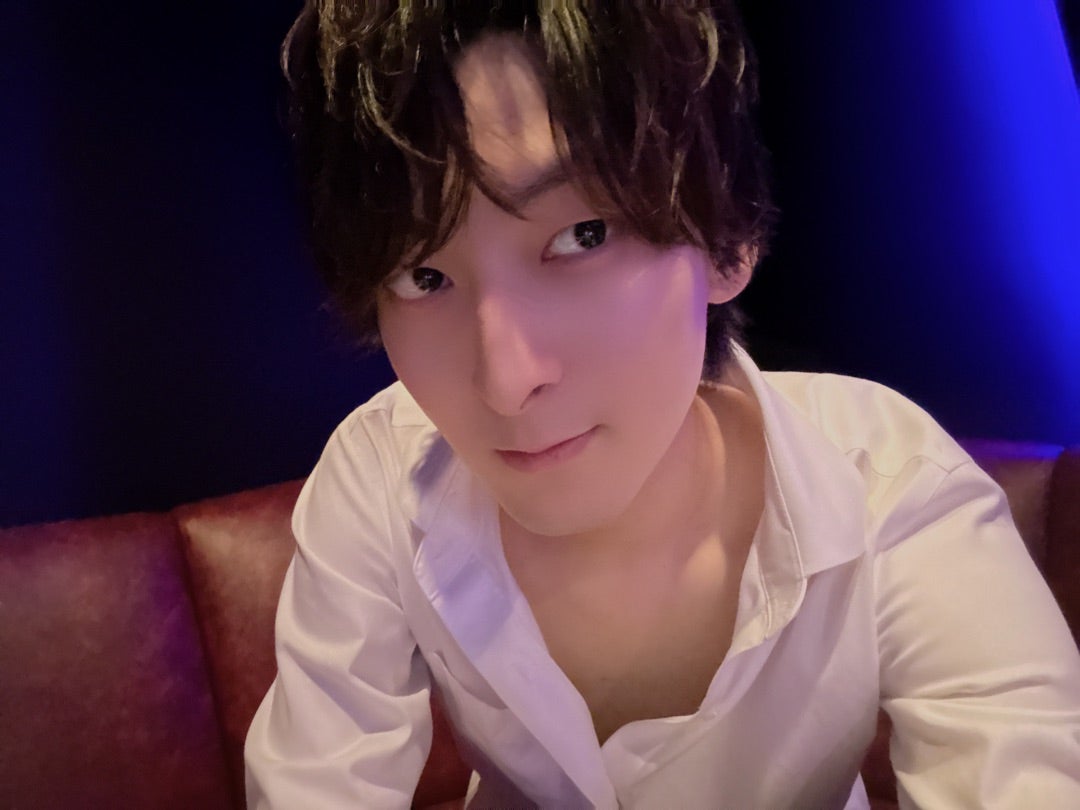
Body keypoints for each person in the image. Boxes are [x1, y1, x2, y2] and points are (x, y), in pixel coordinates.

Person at [244, 3, 1080, 807]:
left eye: (582, 236)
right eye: (421, 276)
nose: (505, 382)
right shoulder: (381, 480)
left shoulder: (888, 486)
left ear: (727, 238)